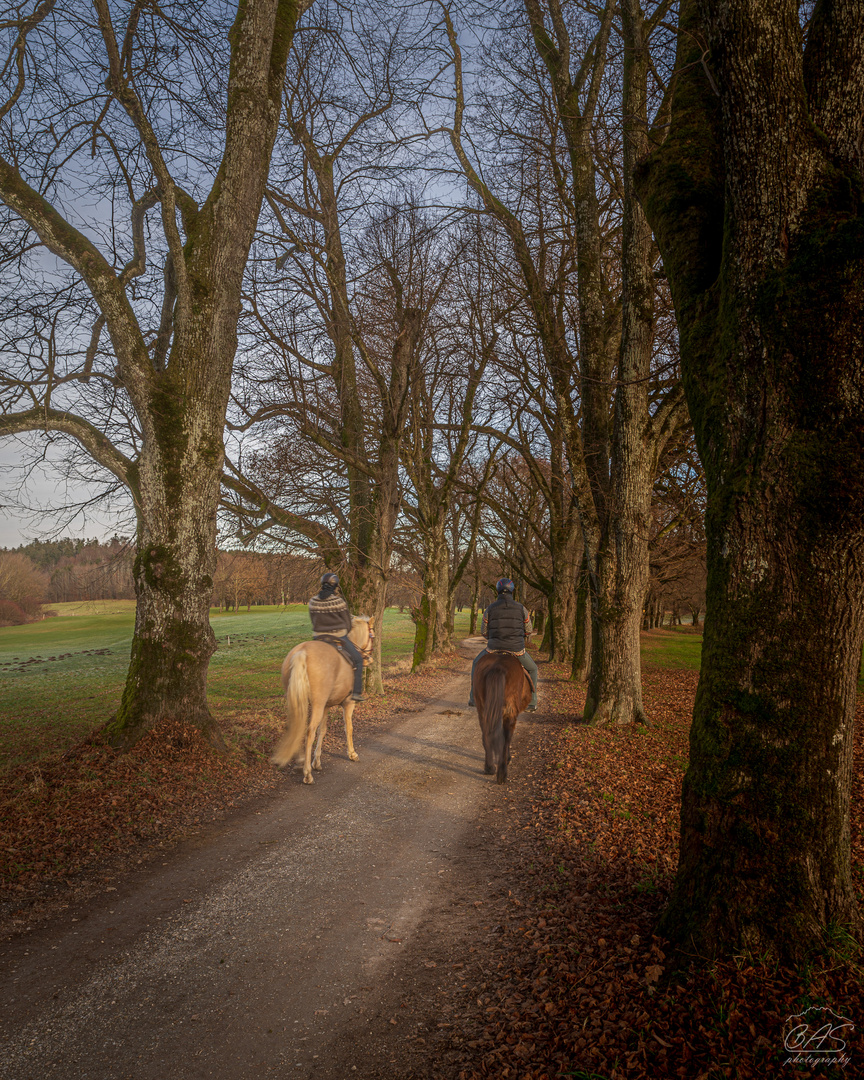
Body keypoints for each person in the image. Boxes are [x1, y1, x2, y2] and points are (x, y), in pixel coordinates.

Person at [468, 578, 538, 711]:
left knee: (476, 664)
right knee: (533, 669)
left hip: (494, 648)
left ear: (498, 590)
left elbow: (483, 631)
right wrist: (522, 636)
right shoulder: (521, 608)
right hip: (516, 650)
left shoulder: (490, 608)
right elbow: (529, 630)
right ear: (512, 590)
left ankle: (473, 698)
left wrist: (491, 637)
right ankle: (532, 702)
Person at [308, 572, 366, 702]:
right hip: (338, 637)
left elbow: (313, 620)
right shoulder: (339, 602)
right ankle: (356, 693)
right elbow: (347, 623)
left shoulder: (312, 601)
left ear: (322, 584)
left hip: (318, 638)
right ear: (335, 586)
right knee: (358, 660)